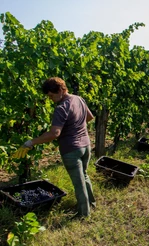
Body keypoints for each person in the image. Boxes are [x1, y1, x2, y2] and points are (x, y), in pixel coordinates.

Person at [20, 77, 96, 218]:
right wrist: (76, 127)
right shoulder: (78, 99)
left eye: (52, 95)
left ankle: (83, 214)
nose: (51, 99)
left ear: (61, 90)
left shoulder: (61, 108)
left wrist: (32, 142)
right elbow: (90, 117)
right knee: (84, 176)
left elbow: (55, 133)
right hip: (86, 145)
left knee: (78, 183)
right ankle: (91, 203)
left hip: (71, 150)